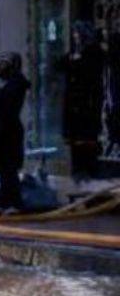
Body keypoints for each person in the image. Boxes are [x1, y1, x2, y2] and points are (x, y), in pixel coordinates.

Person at [59, 22, 104, 180]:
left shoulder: (93, 54)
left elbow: (90, 73)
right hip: (74, 107)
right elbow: (62, 65)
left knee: (86, 141)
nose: (75, 37)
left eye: (78, 34)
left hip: (87, 105)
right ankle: (78, 171)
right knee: (76, 142)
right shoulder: (73, 54)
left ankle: (88, 170)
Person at [0, 53, 29, 211]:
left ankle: (12, 202)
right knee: (5, 170)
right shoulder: (11, 87)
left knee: (8, 170)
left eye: (4, 64)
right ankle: (6, 201)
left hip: (6, 133)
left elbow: (4, 112)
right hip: (5, 132)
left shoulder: (12, 88)